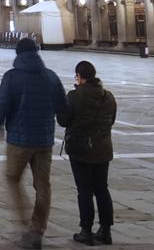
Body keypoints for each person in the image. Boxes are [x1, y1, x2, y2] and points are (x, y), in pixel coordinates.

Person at [0, 37, 67, 250]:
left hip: (19, 139)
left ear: (18, 54)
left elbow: (2, 103)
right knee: (43, 185)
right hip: (44, 140)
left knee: (12, 178)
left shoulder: (12, 77)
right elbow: (62, 107)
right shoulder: (51, 76)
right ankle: (38, 228)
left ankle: (25, 223)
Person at [57, 60, 116, 246]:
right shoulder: (109, 96)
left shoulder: (75, 96)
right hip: (103, 149)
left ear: (79, 76)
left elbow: (63, 120)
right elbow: (111, 120)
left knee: (84, 191)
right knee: (102, 189)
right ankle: (105, 230)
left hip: (81, 149)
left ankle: (86, 231)